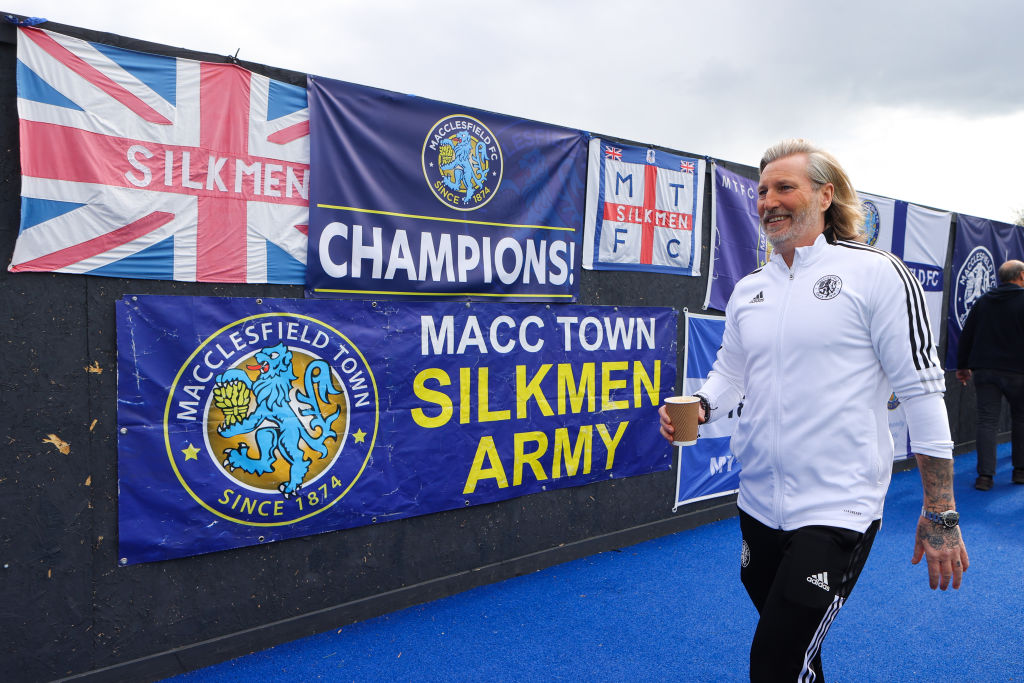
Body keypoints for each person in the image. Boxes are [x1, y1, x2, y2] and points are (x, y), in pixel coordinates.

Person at [659, 139, 968, 682]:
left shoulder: (877, 275)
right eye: (761, 192)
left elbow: (922, 393)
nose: (769, 201)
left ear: (825, 195)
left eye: (785, 187)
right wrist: (704, 406)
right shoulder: (749, 289)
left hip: (838, 507)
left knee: (774, 663)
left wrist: (940, 511)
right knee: (799, 655)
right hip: (757, 503)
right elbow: (731, 375)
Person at [955, 259, 1024, 490]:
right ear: (1021, 276)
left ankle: (985, 477)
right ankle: (1020, 472)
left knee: (986, 422)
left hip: (985, 372)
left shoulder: (983, 301)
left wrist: (963, 366)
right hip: (1019, 373)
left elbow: (967, 335)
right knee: (1021, 420)